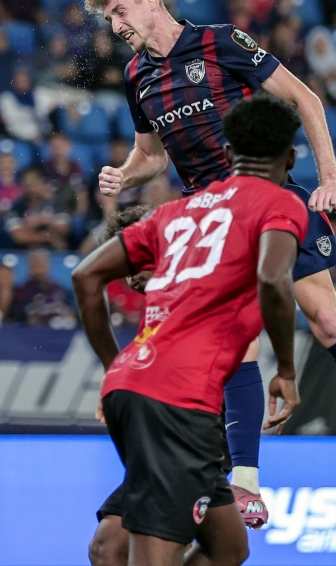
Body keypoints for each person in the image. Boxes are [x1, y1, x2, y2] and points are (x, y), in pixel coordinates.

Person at [85, 0, 336, 525]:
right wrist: (124, 174)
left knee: (327, 319)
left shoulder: (220, 42)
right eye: (109, 19)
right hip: (213, 223)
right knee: (241, 344)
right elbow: (151, 155)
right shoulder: (135, 76)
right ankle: (246, 484)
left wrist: (330, 177)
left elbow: (305, 99)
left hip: (269, 199)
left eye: (120, 11)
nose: (116, 25)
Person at [72, 95, 307, 566]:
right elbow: (272, 278)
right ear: (290, 159)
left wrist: (112, 367)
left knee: (228, 547)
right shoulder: (281, 203)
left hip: (135, 388)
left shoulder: (176, 212)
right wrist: (285, 368)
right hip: (180, 401)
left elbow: (85, 275)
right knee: (152, 554)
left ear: (227, 154)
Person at [4, 167, 72, 250]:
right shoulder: (16, 209)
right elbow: (18, 237)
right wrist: (46, 237)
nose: (32, 188)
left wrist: (42, 221)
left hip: (54, 251)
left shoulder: (55, 205)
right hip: (26, 251)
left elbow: (64, 230)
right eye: (28, 184)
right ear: (22, 186)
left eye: (34, 182)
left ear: (42, 183)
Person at [11, 249, 75, 325]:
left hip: (61, 328)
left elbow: (72, 309)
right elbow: (18, 316)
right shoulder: (22, 292)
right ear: (28, 267)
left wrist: (71, 315)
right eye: (35, 264)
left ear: (49, 265)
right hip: (35, 330)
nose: (38, 267)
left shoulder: (59, 289)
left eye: (40, 263)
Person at [304, 27, 336, 109]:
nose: (320, 47)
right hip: (322, 92)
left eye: (322, 43)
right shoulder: (309, 62)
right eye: (317, 44)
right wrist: (324, 79)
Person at [0, 68, 46, 142]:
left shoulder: (39, 94)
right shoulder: (6, 98)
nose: (22, 84)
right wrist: (32, 135)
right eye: (19, 81)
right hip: (18, 139)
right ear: (13, 83)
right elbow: (11, 124)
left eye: (25, 81)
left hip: (43, 137)